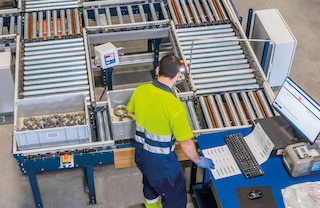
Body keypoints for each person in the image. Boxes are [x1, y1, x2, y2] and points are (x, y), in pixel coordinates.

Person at [127, 54, 215, 208]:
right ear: (178, 75)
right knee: (176, 199)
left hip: (141, 156)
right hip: (163, 166)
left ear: (157, 70)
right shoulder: (175, 107)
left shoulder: (140, 91)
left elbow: (130, 111)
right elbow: (186, 143)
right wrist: (198, 160)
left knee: (150, 187)